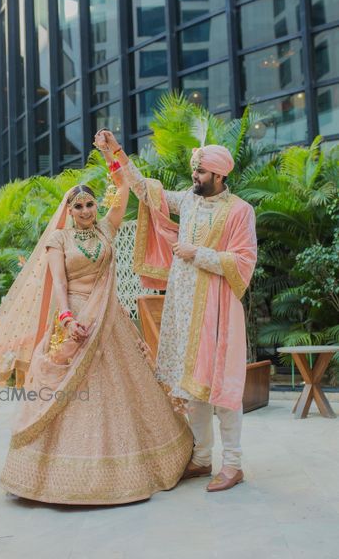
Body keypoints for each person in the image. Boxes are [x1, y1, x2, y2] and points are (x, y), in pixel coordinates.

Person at [0, 165, 192, 505]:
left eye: (89, 205)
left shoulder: (106, 230)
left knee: (122, 387)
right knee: (65, 389)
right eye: (78, 206)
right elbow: (59, 283)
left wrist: (112, 156)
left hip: (108, 316)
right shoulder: (59, 239)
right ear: (68, 210)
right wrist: (68, 319)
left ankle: (133, 466)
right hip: (74, 317)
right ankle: (50, 474)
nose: (85, 211)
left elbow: (123, 189)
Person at [94, 130, 257, 492]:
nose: (195, 177)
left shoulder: (240, 211)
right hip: (184, 307)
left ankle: (233, 464)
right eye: (194, 171)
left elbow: (245, 262)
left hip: (217, 310)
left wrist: (197, 253)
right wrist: (114, 151)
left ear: (220, 175)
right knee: (190, 385)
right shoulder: (189, 202)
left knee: (221, 387)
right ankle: (202, 458)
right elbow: (144, 190)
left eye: (201, 173)